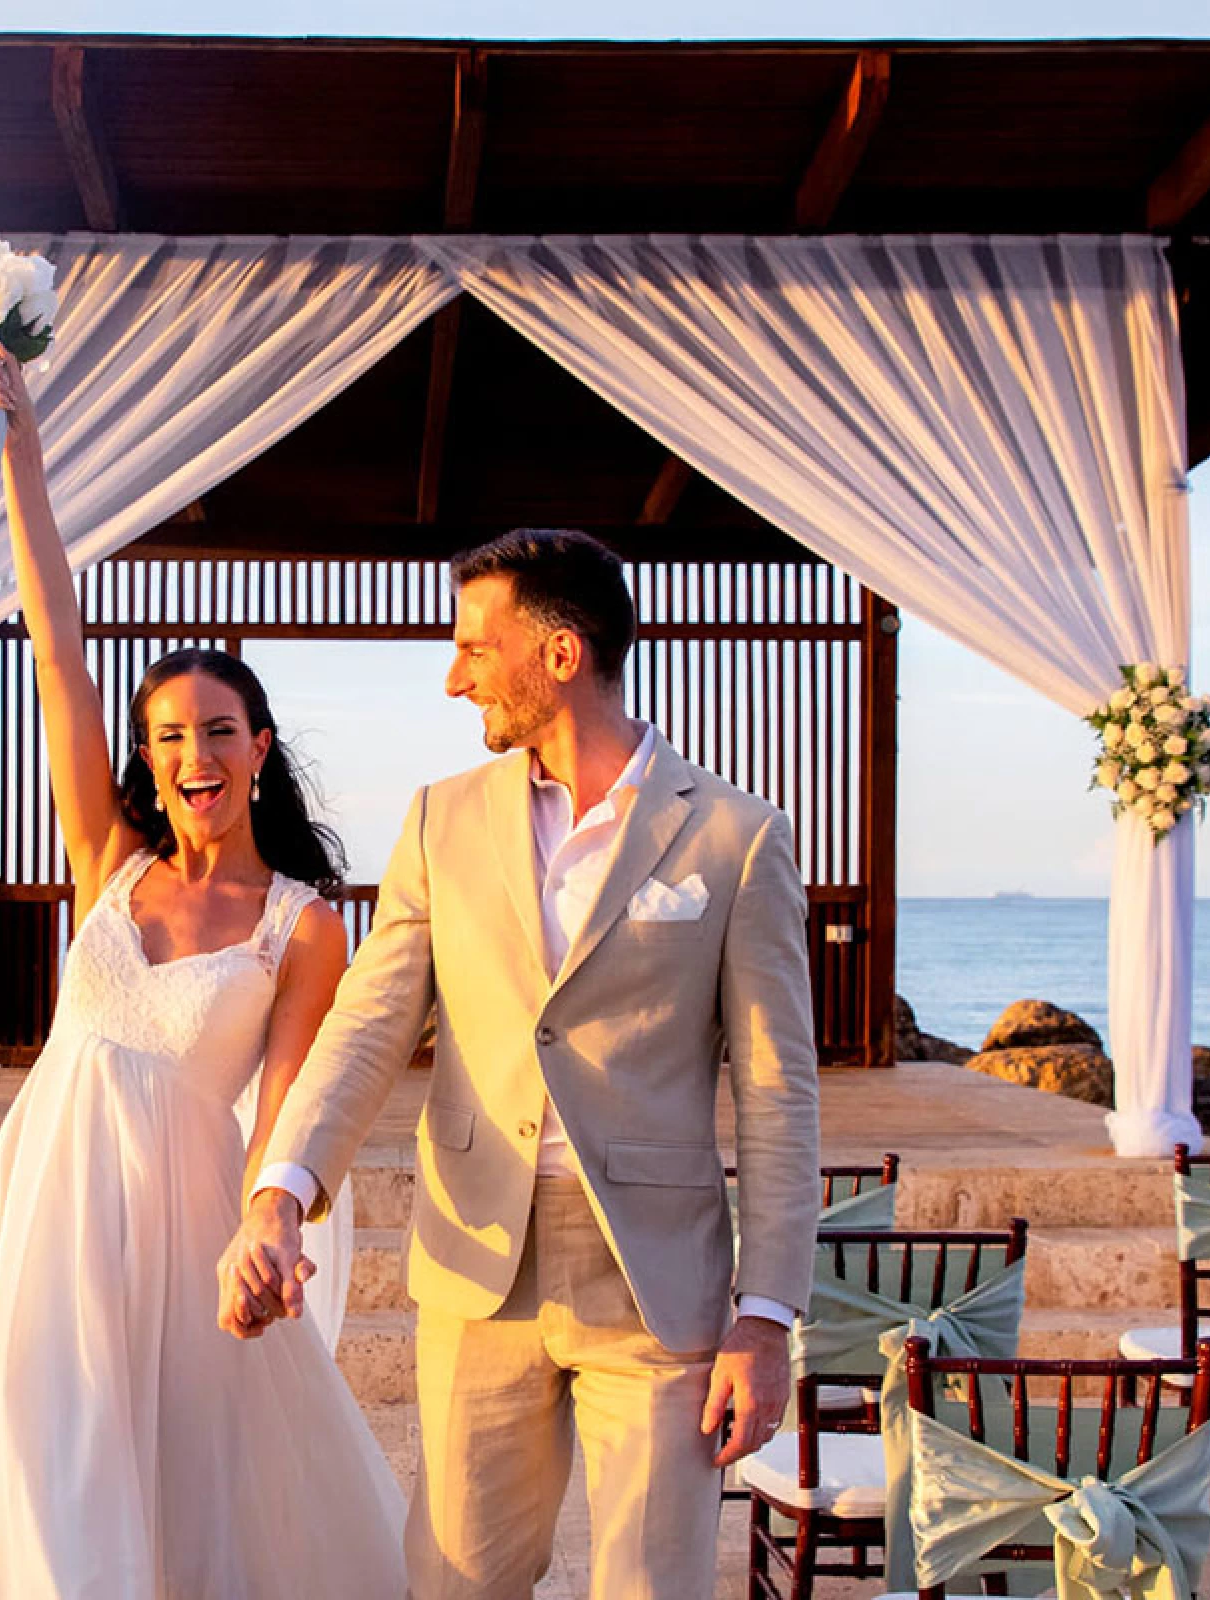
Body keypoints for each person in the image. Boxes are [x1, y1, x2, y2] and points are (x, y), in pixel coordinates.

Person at [220, 528, 822, 1600]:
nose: (453, 678)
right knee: (456, 1582)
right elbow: (366, 1025)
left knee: (653, 1586)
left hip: (657, 1286)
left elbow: (776, 1092)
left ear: (558, 654)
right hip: (473, 1264)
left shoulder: (735, 835)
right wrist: (279, 1191)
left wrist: (766, 1314)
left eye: (471, 648)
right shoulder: (439, 820)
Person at [0, 346, 405, 1598]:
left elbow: (300, 1102)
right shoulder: (104, 857)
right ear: (142, 762)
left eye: (215, 730)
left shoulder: (304, 924)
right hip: (45, 1209)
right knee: (52, 1477)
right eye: (165, 737)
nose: (190, 753)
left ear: (257, 747)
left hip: (185, 1227)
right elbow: (57, 649)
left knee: (195, 1502)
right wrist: (20, 448)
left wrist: (276, 1225)